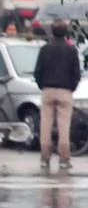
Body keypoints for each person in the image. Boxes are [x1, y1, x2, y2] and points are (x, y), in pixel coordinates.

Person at [33, 19, 82, 172]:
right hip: (65, 91)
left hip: (47, 90)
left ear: (52, 32)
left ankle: (45, 158)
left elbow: (37, 72)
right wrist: (71, 88)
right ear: (66, 32)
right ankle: (64, 159)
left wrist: (42, 85)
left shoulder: (45, 49)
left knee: (45, 126)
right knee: (64, 127)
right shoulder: (71, 50)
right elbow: (76, 73)